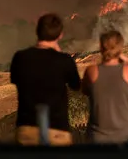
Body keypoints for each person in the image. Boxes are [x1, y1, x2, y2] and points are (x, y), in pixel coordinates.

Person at [10, 13, 81, 145]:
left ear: (37, 31)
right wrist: (59, 55)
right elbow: (76, 85)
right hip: (58, 131)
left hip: (27, 130)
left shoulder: (20, 58)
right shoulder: (64, 60)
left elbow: (15, 80)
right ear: (60, 35)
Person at [81, 30, 128, 144]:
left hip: (98, 137)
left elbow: (84, 91)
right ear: (120, 47)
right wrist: (127, 60)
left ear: (101, 47)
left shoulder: (92, 71)